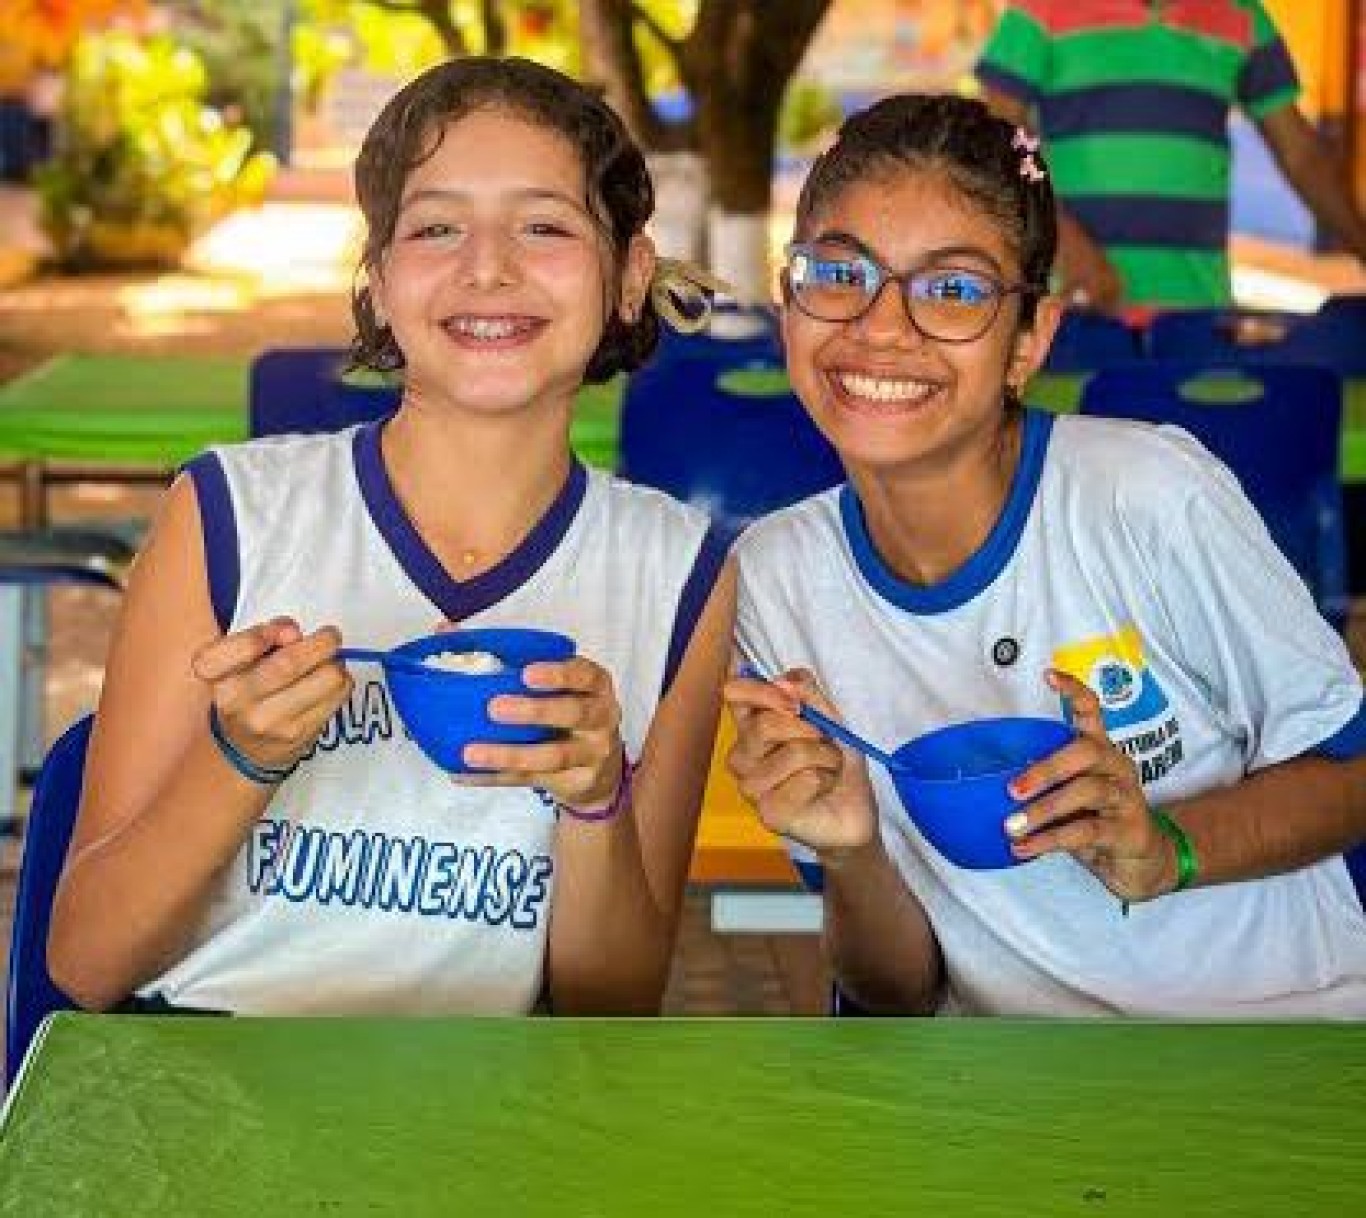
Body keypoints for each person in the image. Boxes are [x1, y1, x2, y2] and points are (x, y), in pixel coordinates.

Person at [47, 57, 735, 1017]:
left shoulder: (682, 573)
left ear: (629, 277)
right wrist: (240, 754)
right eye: (436, 227)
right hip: (210, 1084)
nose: (487, 266)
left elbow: (607, 1014)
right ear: (375, 285)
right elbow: (85, 962)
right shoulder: (230, 516)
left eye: (544, 226)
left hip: (478, 1116)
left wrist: (594, 800)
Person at [725, 92, 1366, 1017]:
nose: (880, 327)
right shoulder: (778, 578)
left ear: (1031, 340)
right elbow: (893, 994)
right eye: (837, 273)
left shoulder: (1145, 497)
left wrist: (1165, 848)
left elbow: (1349, 771)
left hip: (1280, 1050)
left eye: (952, 290)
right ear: (788, 300)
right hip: (1016, 1100)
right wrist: (852, 849)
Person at [975, 0, 1366, 311]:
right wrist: (1060, 241)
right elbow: (994, 138)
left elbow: (1302, 154)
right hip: (1071, 307)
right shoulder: (1041, 8)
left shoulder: (1243, 15)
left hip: (1198, 308)